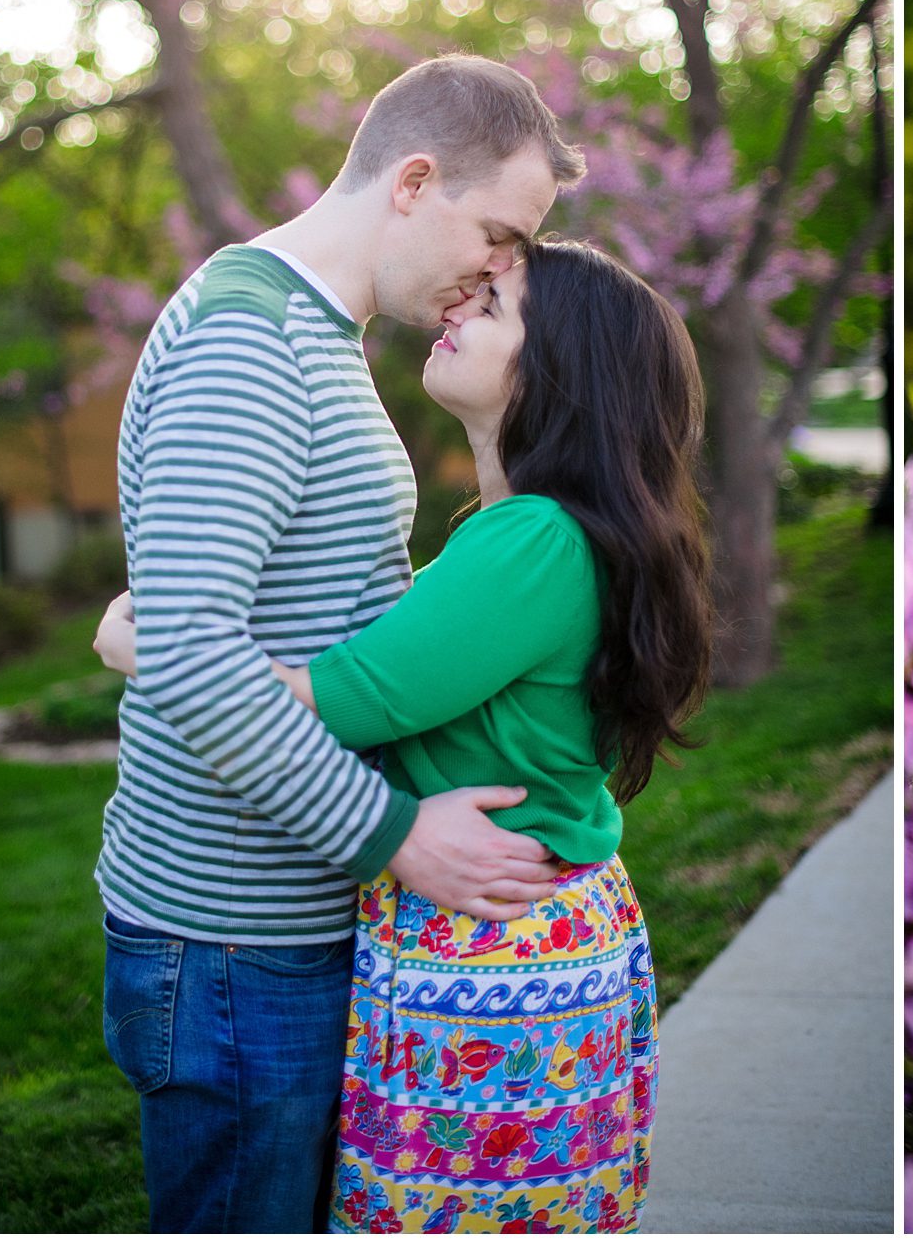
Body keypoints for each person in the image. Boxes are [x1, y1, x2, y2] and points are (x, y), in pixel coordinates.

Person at [100, 237, 711, 1235]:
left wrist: (151, 645)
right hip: (528, 927)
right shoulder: (526, 534)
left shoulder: (534, 541)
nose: (458, 306)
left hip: (495, 954)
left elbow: (345, 694)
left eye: (496, 304)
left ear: (558, 369)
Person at [96, 55, 587, 1232]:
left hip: (275, 924)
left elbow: (263, 612)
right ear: (416, 180)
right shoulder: (251, 345)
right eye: (499, 232)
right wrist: (397, 836)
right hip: (230, 940)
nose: (498, 270)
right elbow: (201, 655)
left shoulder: (313, 336)